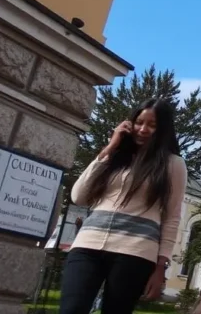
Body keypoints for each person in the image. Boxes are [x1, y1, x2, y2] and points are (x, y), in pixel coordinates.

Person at [61, 99, 187, 314]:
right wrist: (110, 147)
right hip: (88, 245)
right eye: (139, 122)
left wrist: (160, 268)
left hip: (135, 252)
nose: (143, 129)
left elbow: (172, 217)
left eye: (152, 125)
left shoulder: (173, 164)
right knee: (71, 309)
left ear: (163, 129)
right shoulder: (115, 156)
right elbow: (79, 196)